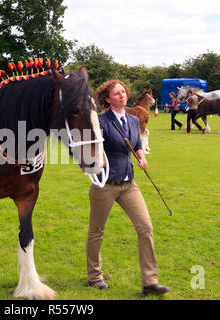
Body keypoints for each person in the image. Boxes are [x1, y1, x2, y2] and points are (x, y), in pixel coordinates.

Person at [86, 79, 171, 295]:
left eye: (123, 92)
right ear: (107, 99)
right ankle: (95, 277)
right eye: (116, 93)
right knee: (97, 232)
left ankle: (150, 282)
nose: (122, 96)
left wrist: (141, 157)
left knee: (146, 228)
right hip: (104, 184)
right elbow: (90, 147)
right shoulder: (100, 121)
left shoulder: (133, 120)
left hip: (129, 183)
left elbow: (138, 144)